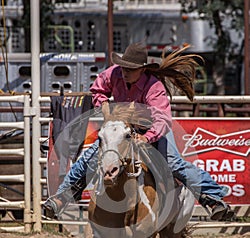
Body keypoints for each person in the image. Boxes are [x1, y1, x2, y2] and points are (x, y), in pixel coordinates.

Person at [43, 42, 234, 221]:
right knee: (90, 158)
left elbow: (162, 119)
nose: (125, 72)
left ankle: (213, 200)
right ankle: (62, 198)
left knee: (175, 164)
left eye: (130, 69)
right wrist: (103, 106)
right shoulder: (114, 73)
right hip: (122, 128)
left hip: (150, 132)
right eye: (124, 67)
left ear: (141, 69)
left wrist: (147, 137)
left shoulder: (154, 87)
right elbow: (98, 89)